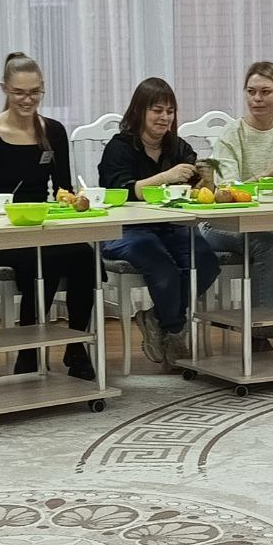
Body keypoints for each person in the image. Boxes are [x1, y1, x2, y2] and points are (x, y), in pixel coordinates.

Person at [0, 52, 97, 379]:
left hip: (43, 228)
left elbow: (63, 189)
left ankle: (76, 344)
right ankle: (29, 352)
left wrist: (75, 202)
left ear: (43, 90)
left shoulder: (54, 131)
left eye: (34, 92)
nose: (27, 100)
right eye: (19, 93)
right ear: (4, 89)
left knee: (85, 256)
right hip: (0, 234)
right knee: (47, 259)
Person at [98, 77, 220, 366]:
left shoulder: (178, 148)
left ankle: (155, 317)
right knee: (162, 264)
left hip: (171, 226)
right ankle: (175, 329)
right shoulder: (118, 147)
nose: (165, 117)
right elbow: (121, 191)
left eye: (170, 111)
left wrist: (207, 181)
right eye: (157, 110)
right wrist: (166, 176)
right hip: (125, 230)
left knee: (205, 261)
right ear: (139, 111)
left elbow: (195, 192)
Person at [206, 61, 273, 351]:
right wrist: (267, 174)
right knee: (269, 245)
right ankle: (259, 333)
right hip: (222, 225)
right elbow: (226, 191)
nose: (257, 98)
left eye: (265, 92)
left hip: (268, 222)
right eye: (251, 91)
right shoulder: (232, 133)